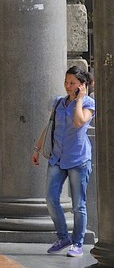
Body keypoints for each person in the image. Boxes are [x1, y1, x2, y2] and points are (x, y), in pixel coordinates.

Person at [31, 61, 96, 257]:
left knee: (79, 204)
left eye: (73, 83)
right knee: (51, 199)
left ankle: (77, 242)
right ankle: (63, 237)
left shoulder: (88, 103)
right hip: (57, 158)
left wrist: (79, 99)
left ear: (82, 85)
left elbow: (78, 122)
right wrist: (37, 148)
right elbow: (50, 126)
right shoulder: (58, 102)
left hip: (78, 159)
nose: (68, 86)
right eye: (66, 82)